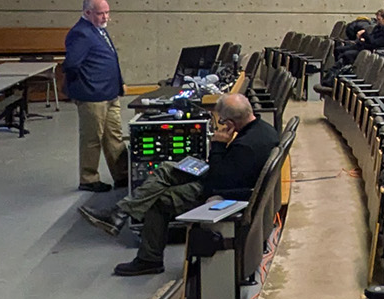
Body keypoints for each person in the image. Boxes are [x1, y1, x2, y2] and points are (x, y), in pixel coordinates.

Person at [111, 94, 283, 278]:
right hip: (224, 177)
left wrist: (218, 145)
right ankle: (120, 212)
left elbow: (218, 181)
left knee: (159, 201)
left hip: (222, 192)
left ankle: (149, 259)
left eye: (222, 120)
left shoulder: (245, 146)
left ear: (230, 121)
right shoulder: (264, 129)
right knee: (167, 168)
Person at [65, 0, 127, 192]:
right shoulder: (81, 33)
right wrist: (86, 85)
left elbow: (110, 59)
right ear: (87, 12)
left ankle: (122, 175)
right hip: (92, 95)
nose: (105, 17)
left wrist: (119, 83)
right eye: (100, 13)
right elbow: (71, 64)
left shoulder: (99, 30)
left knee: (114, 136)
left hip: (109, 93)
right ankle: (88, 179)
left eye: (107, 12)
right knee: (92, 139)